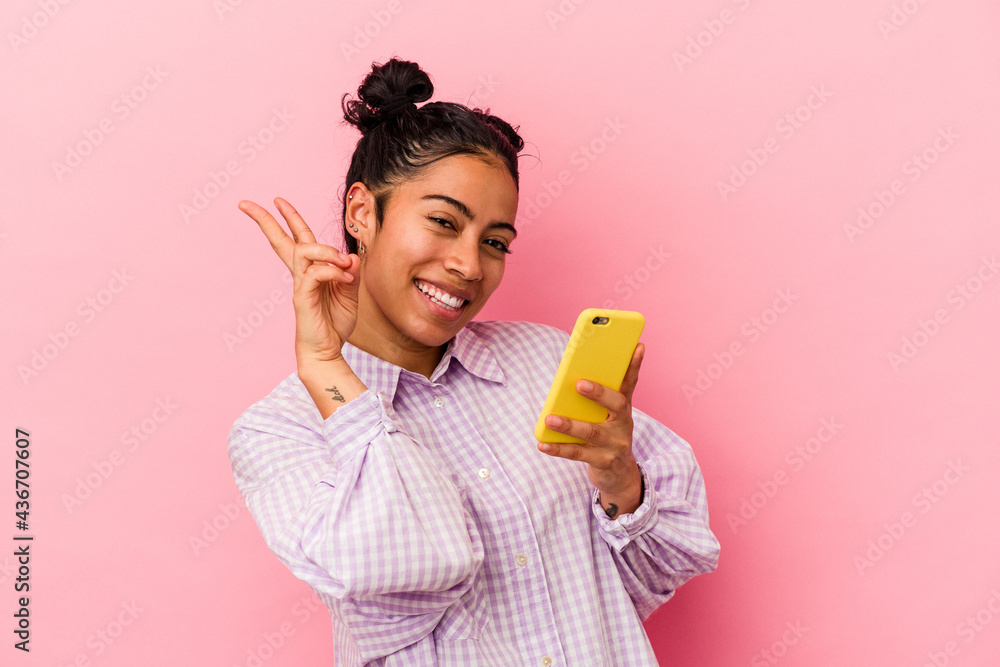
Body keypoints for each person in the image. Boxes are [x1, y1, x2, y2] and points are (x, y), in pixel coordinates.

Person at [227, 56, 720, 666]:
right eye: (442, 221)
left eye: (495, 242)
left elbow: (653, 576)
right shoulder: (278, 432)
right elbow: (413, 560)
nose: (468, 265)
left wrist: (620, 479)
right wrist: (328, 367)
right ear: (361, 212)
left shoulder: (545, 361)